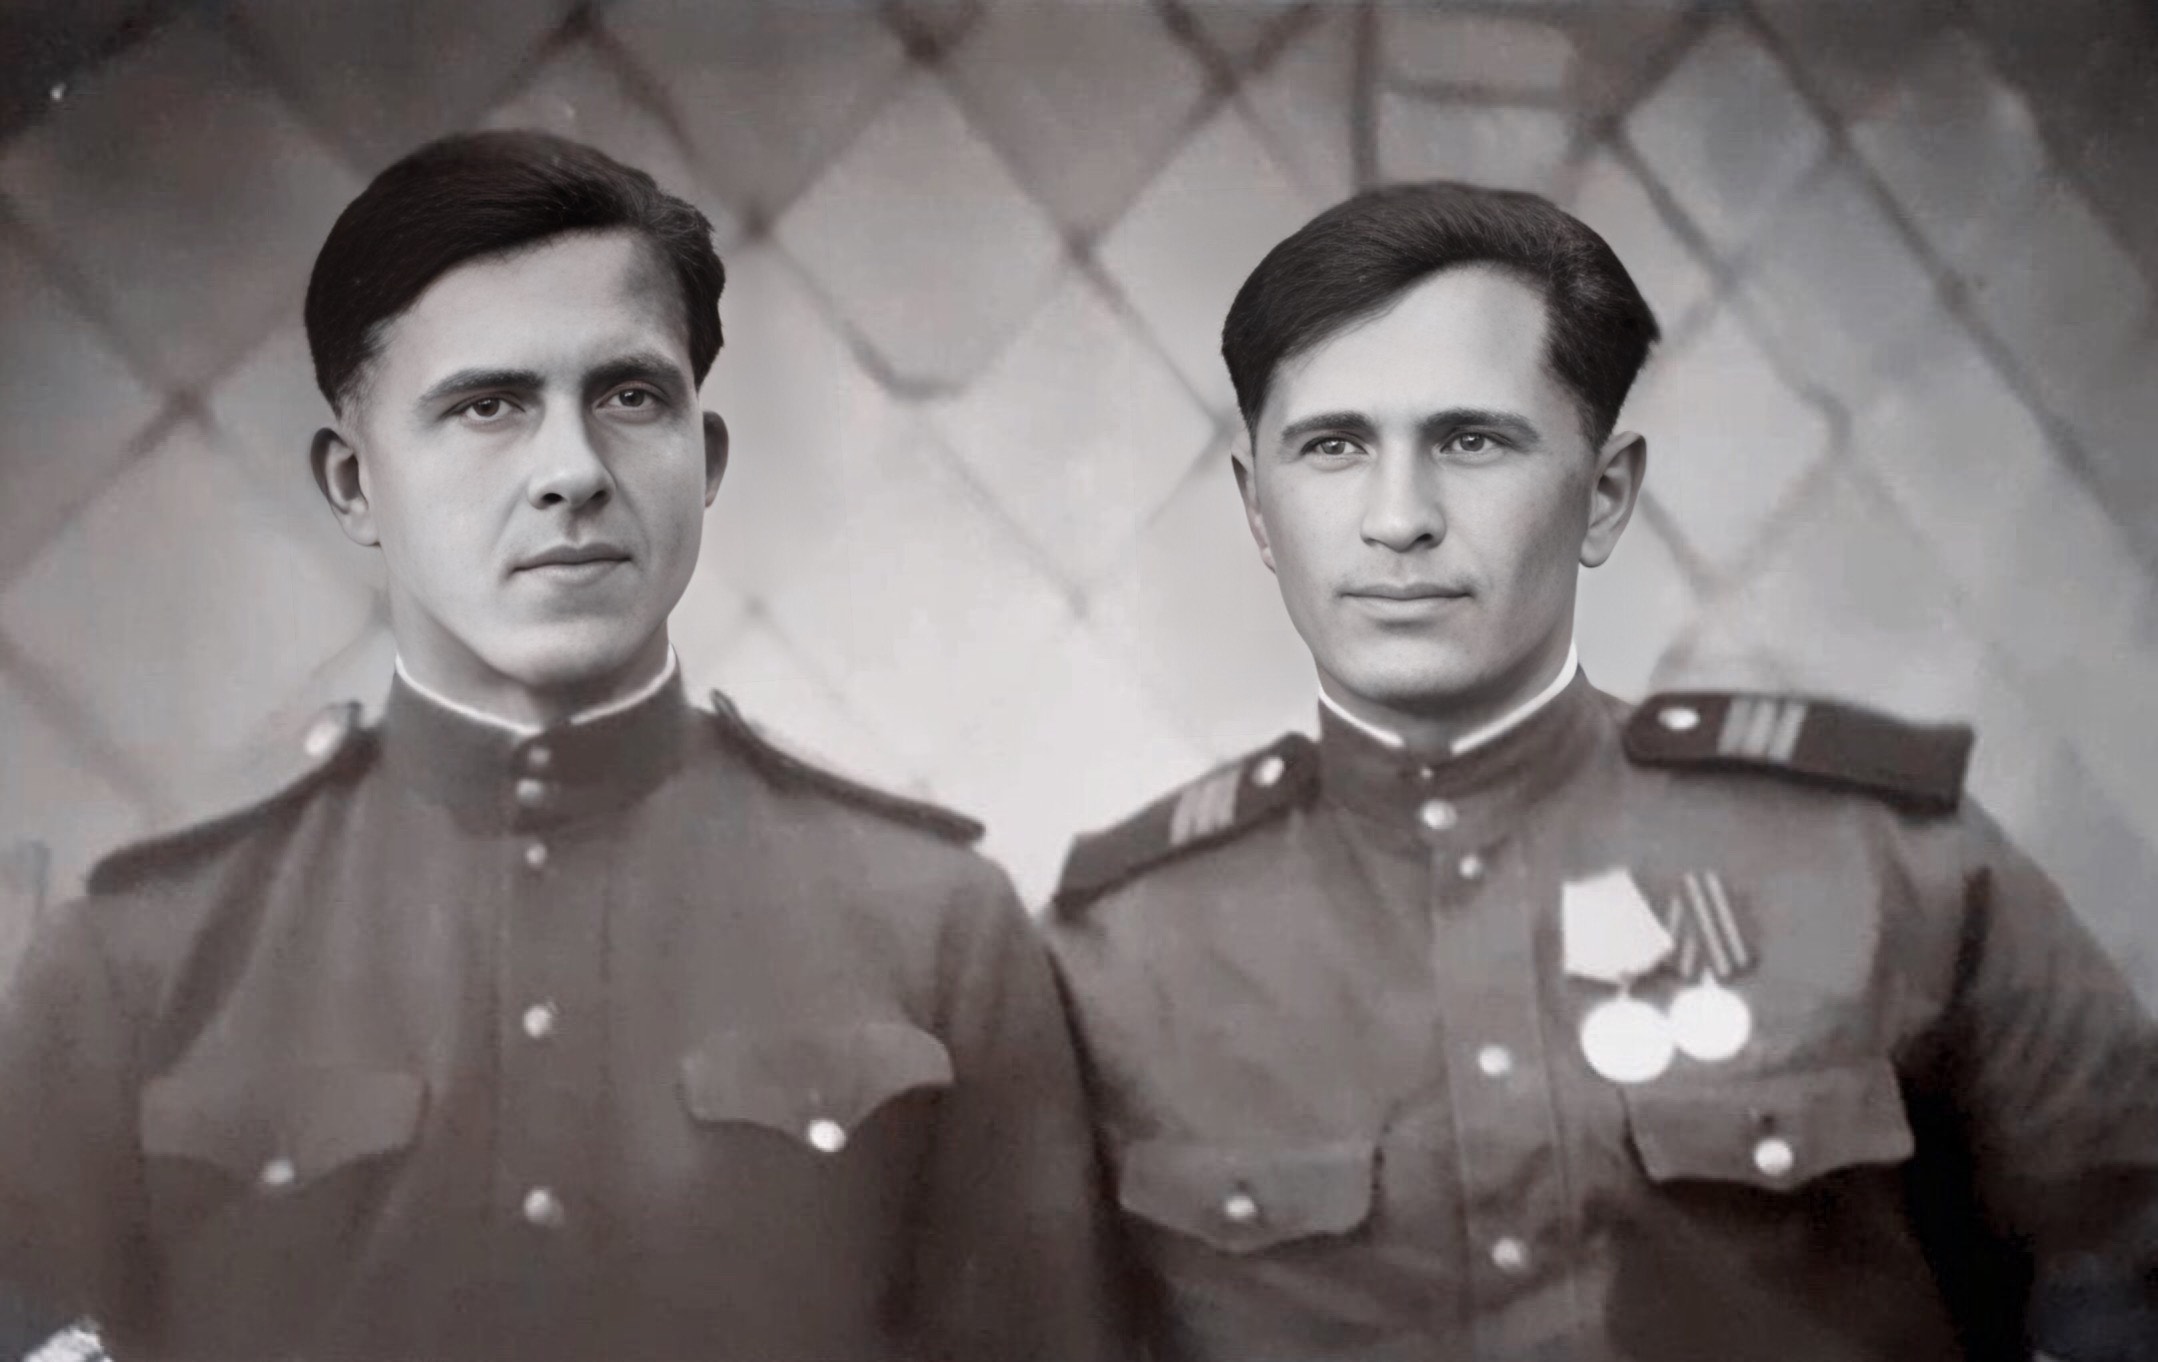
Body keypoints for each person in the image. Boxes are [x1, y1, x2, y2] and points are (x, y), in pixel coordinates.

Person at [0, 131, 1124, 1362]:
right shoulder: (140, 963)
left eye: (630, 397)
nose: (573, 472)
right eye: (487, 406)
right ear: (353, 484)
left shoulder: (935, 928)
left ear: (706, 459)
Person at [1045, 181, 2158, 1361]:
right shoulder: (1116, 953)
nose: (1398, 517)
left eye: (1471, 441)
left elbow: (2129, 1276)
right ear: (1259, 512)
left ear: (1605, 495)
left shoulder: (1885, 864)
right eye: (1332, 447)